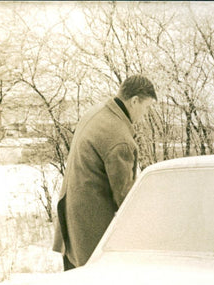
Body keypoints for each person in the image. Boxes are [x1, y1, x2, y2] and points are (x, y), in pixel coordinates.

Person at [53, 75, 157, 270]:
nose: (145, 114)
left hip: (72, 230)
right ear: (134, 101)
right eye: (147, 107)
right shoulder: (120, 139)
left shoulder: (95, 113)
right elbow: (126, 200)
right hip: (94, 240)